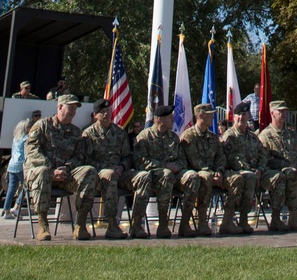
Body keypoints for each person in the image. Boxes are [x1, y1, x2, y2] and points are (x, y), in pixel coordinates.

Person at [24, 94, 98, 243]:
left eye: (75, 109)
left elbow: (79, 156)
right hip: (42, 174)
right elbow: (32, 150)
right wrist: (52, 170)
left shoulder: (76, 132)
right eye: (70, 108)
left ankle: (80, 224)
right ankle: (42, 224)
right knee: (43, 171)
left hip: (65, 176)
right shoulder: (42, 125)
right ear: (59, 107)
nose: (73, 112)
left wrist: (66, 169)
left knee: (89, 171)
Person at [131, 103, 200, 238]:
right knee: (166, 174)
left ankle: (185, 223)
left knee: (192, 176)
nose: (173, 119)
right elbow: (140, 161)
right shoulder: (144, 136)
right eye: (170, 117)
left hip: (173, 173)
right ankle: (162, 224)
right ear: (159, 120)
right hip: (153, 174)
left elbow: (182, 159)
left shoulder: (173, 137)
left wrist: (177, 166)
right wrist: (164, 166)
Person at [82, 98, 135, 239]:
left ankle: (137, 224)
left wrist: (122, 166)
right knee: (110, 175)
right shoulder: (88, 134)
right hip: (100, 175)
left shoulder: (119, 132)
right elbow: (86, 160)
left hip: (120, 172)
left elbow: (128, 156)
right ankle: (112, 224)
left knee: (142, 178)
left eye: (108, 111)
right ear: (96, 115)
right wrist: (107, 167)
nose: (106, 114)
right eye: (102, 112)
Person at [259, 98, 297, 232]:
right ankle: (279, 218)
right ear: (272, 113)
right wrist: (284, 165)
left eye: (285, 112)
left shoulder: (291, 134)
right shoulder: (265, 136)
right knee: (289, 174)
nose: (284, 115)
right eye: (281, 112)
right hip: (276, 172)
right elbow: (263, 159)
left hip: (295, 171)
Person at [181, 102, 235, 236]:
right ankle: (202, 220)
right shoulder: (189, 136)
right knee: (206, 176)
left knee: (237, 179)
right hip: (196, 174)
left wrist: (220, 170)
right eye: (210, 115)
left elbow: (221, 157)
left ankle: (228, 221)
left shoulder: (212, 137)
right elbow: (194, 161)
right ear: (200, 116)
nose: (212, 118)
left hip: (215, 174)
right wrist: (212, 173)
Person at [221, 101, 267, 233]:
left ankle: (243, 219)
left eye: (244, 114)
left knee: (251, 178)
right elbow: (231, 157)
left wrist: (260, 169)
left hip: (251, 173)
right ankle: (227, 221)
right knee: (245, 178)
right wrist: (248, 169)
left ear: (249, 116)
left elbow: (263, 154)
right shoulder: (229, 136)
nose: (241, 118)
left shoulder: (253, 137)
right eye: (238, 115)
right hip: (232, 172)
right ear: (234, 117)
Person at [2, 114, 35, 217]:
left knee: (11, 188)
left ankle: (6, 210)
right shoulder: (26, 139)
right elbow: (26, 153)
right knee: (26, 186)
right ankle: (16, 207)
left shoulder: (15, 138)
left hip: (12, 165)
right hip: (21, 165)